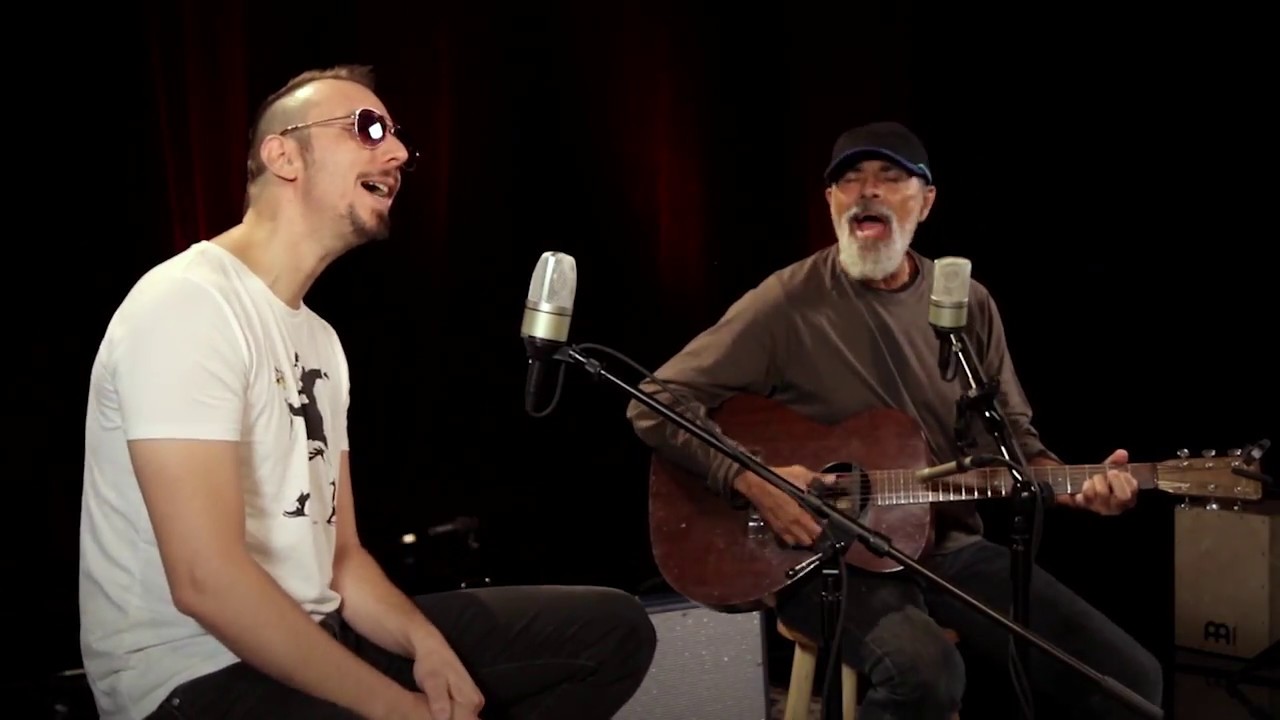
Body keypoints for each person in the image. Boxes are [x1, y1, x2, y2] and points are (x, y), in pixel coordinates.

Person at [79, 64, 656, 720]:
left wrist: (425, 645)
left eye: (396, 136)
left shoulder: (319, 341)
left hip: (319, 634)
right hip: (195, 678)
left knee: (611, 630)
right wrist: (395, 708)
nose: (399, 153)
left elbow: (342, 558)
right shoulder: (186, 303)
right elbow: (205, 581)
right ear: (284, 155)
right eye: (367, 129)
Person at [625, 121, 1163, 719]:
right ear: (829, 201)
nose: (867, 192)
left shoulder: (966, 303)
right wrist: (752, 479)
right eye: (849, 180)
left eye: (889, 177)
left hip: (950, 547)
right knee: (924, 674)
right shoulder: (787, 301)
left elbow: (1016, 444)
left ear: (926, 201)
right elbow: (653, 400)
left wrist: (1076, 489)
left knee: (1130, 680)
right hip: (824, 554)